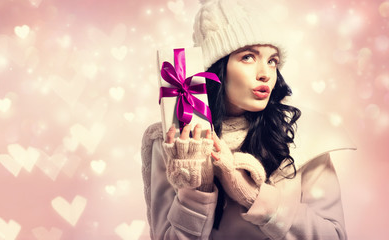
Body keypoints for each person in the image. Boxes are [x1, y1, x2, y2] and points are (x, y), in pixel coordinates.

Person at [141, 0, 355, 239]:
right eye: (248, 57)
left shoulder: (303, 134)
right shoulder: (176, 140)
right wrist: (197, 188)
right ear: (216, 67)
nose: (265, 73)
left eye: (272, 60)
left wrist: (254, 197)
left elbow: (334, 236)